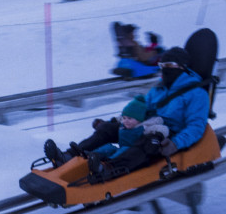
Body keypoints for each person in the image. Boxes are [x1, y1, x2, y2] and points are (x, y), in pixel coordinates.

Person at [43, 47, 210, 182]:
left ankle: (109, 167)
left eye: (169, 66)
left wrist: (175, 143)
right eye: (162, 66)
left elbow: (196, 126)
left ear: (182, 67)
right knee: (109, 129)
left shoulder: (196, 94)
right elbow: (140, 110)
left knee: (147, 142)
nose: (164, 70)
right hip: (146, 124)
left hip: (167, 134)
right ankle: (69, 156)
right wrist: (116, 121)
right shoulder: (159, 88)